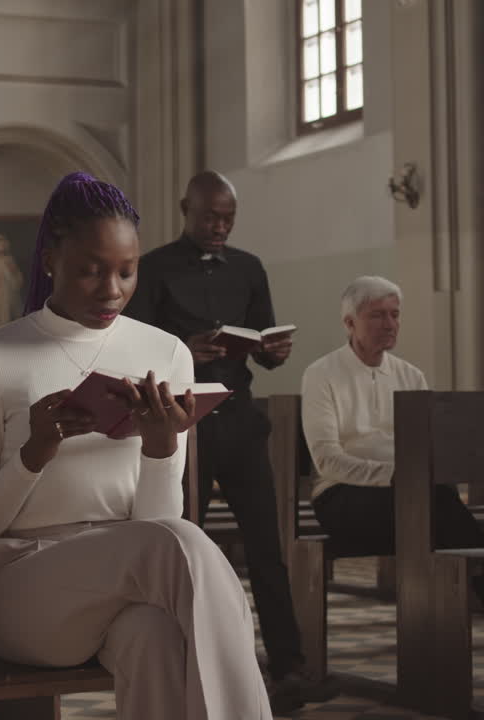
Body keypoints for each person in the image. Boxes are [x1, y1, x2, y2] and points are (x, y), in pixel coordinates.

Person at [0, 172, 273, 720]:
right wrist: (34, 454)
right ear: (50, 259)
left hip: (130, 584)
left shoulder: (166, 353)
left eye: (126, 271)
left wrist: (162, 447)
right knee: (181, 545)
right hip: (25, 592)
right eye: (92, 270)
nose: (112, 290)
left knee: (155, 637)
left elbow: (152, 521)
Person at [124, 170, 328, 711]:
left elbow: (260, 340)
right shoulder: (155, 267)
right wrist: (184, 347)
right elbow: (136, 341)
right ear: (186, 208)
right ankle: (186, 660)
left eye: (228, 219)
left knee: (267, 543)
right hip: (182, 422)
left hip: (238, 418)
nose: (219, 227)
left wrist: (271, 352)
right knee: (184, 545)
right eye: (211, 217)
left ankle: (288, 664)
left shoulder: (250, 267)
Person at [301, 276, 484, 646]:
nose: (389, 324)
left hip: (410, 495)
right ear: (349, 323)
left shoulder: (410, 375)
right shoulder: (321, 374)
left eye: (395, 314)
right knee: (438, 503)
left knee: (437, 501)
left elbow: (431, 445)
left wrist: (417, 475)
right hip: (343, 498)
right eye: (377, 315)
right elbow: (327, 459)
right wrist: (394, 476)